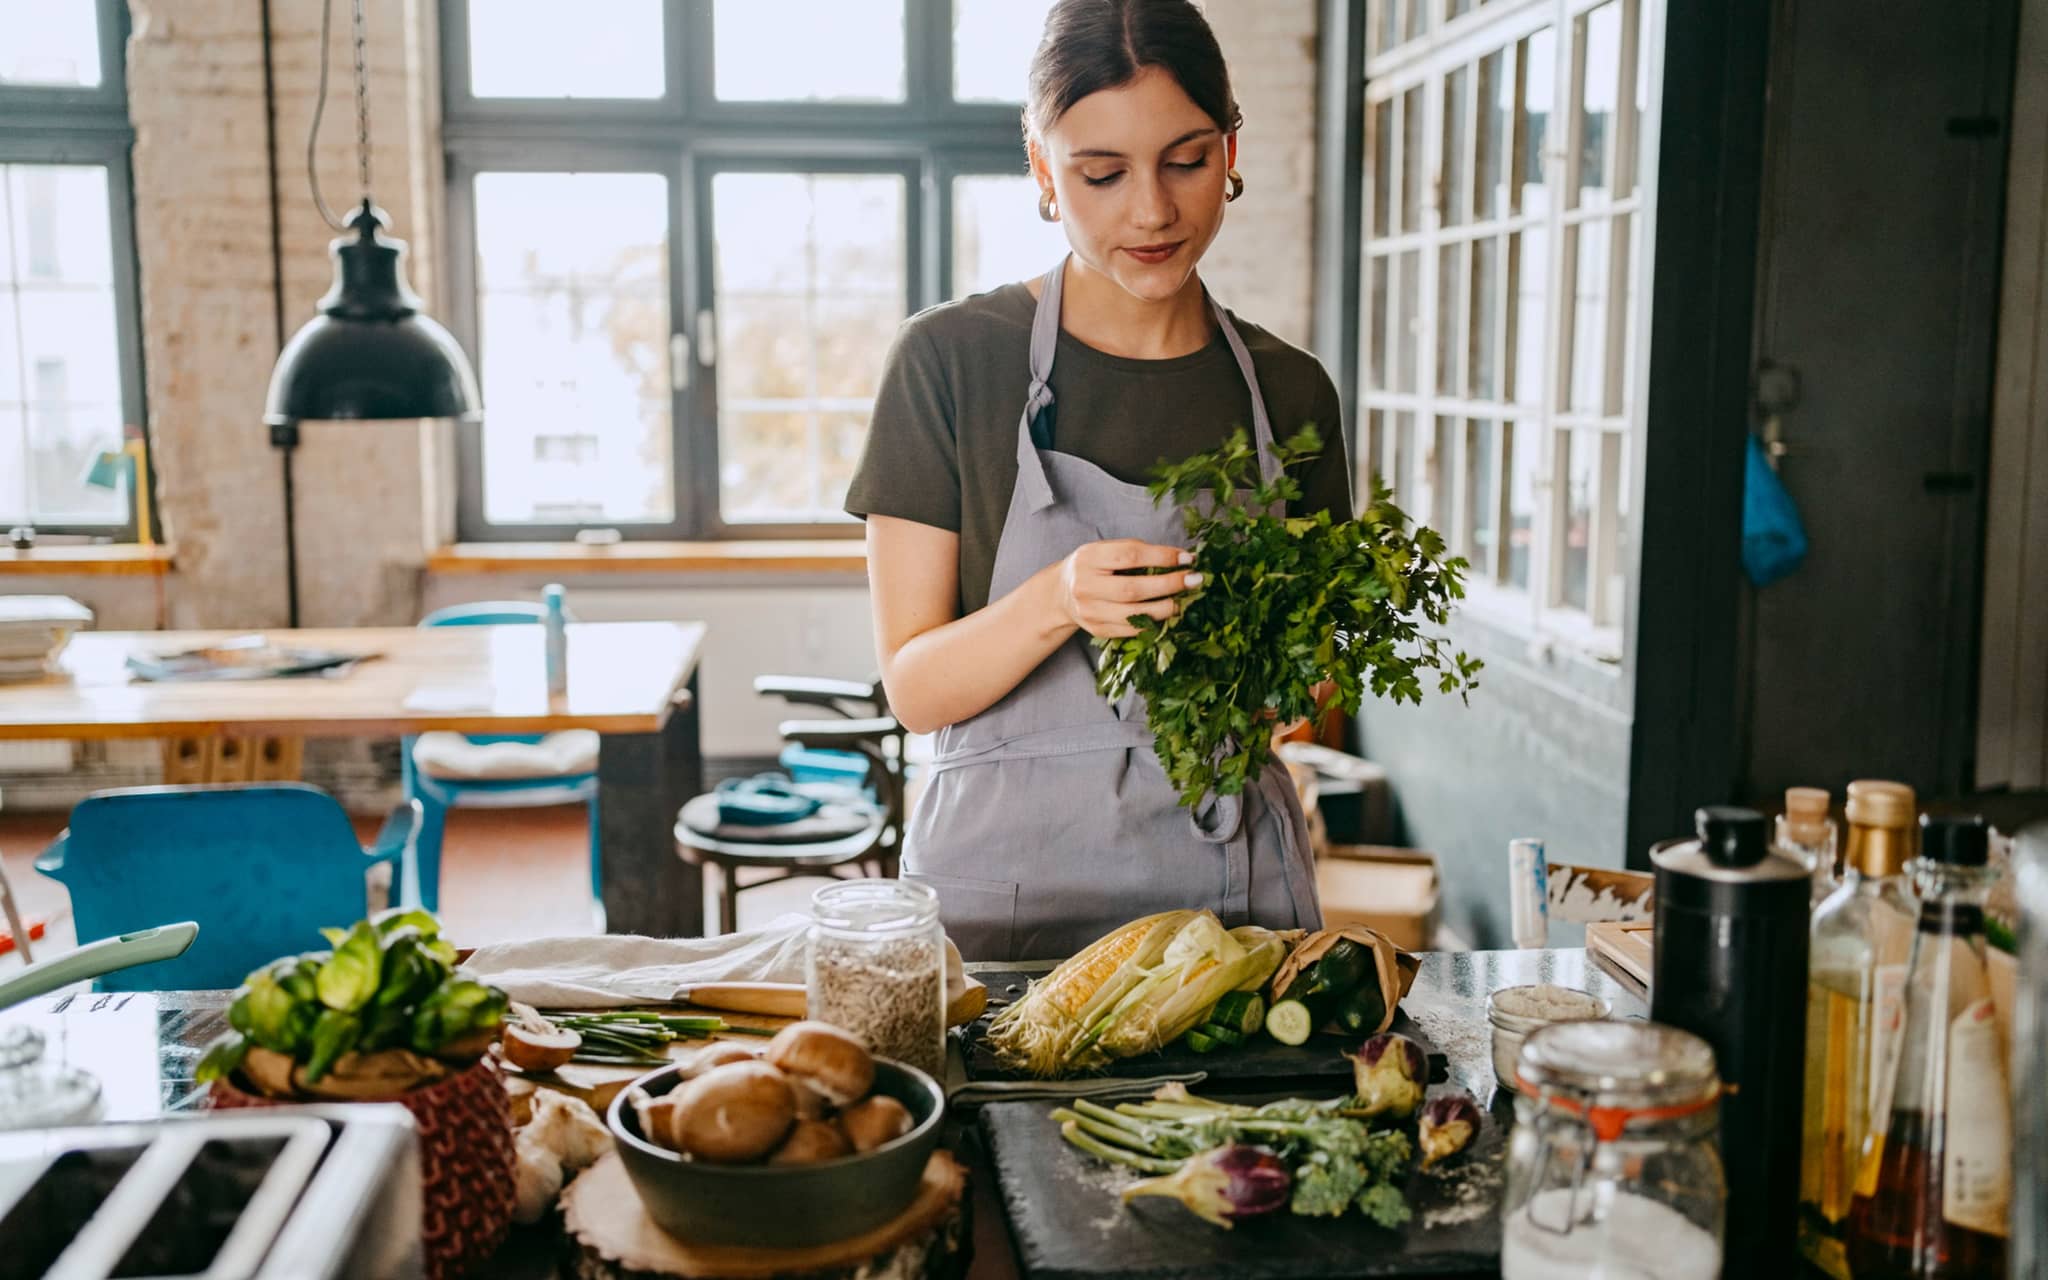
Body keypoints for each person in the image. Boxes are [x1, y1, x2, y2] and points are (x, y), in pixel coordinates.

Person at [845, 0, 1351, 961]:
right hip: (1002, 902)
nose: (1151, 210)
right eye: (1103, 173)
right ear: (1044, 169)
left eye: (1186, 161)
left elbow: (1309, 686)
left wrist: (1286, 675)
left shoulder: (1290, 391)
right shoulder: (950, 362)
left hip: (1228, 898)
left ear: (1230, 149)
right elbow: (913, 689)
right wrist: (1058, 600)